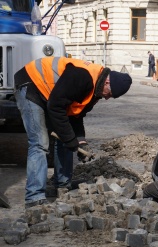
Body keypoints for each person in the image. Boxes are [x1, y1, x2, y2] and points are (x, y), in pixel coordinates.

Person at [14, 56, 132, 208]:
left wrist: (80, 141)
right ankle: (34, 197)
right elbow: (55, 107)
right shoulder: (82, 76)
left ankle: (62, 185)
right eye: (109, 94)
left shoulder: (97, 89)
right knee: (40, 143)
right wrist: (71, 141)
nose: (107, 98)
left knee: (66, 137)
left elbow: (75, 115)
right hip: (31, 83)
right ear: (107, 82)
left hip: (51, 95)